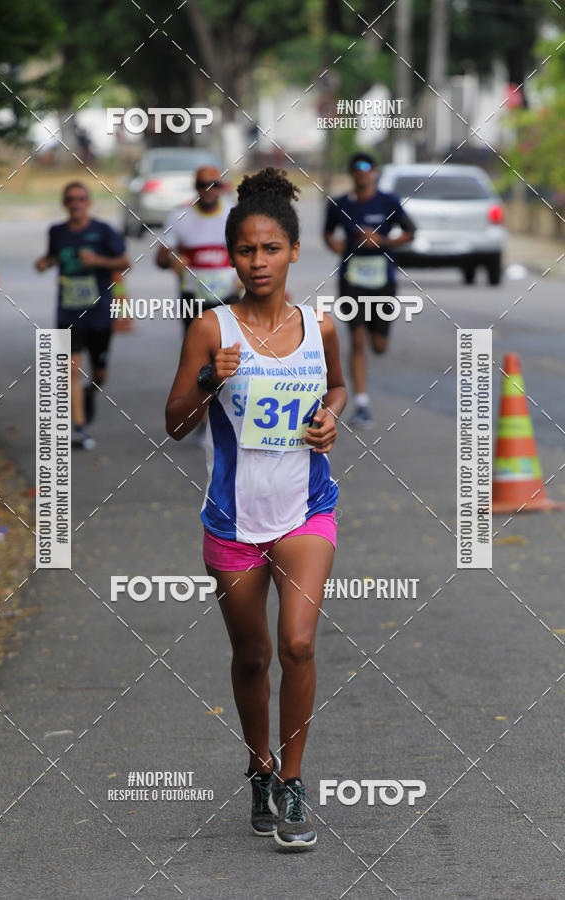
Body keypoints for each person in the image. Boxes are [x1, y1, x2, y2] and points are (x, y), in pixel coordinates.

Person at [166, 168, 347, 850]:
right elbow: (175, 422)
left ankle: (292, 781)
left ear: (294, 251)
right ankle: (259, 763)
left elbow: (336, 387)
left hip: (307, 510)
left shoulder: (317, 324)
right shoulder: (211, 329)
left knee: (298, 644)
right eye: (246, 250)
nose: (258, 261)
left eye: (271, 249)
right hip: (234, 523)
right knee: (253, 655)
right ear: (230, 256)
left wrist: (330, 419)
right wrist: (214, 378)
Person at [35, 181, 130, 449]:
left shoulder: (103, 231)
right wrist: (45, 263)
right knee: (70, 369)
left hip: (99, 314)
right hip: (67, 313)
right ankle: (78, 427)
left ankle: (90, 392)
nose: (76, 203)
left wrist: (98, 261)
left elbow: (125, 262)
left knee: (100, 373)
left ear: (88, 202)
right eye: (70, 199)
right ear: (64, 204)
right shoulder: (56, 232)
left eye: (81, 198)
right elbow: (53, 256)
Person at [324, 152, 416, 426]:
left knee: (379, 345)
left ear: (374, 171)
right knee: (358, 341)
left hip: (382, 282)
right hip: (351, 281)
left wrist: (383, 240)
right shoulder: (339, 204)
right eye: (355, 168)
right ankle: (362, 402)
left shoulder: (388, 202)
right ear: (351, 174)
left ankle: (378, 343)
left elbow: (410, 231)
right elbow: (328, 233)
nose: (361, 172)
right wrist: (336, 246)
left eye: (366, 167)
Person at [157, 165, 242, 445]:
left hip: (228, 295)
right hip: (193, 297)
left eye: (214, 184)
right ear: (195, 187)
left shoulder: (233, 214)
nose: (208, 190)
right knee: (198, 355)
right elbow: (160, 258)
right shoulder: (179, 215)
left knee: (227, 351)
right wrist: (172, 260)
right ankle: (204, 418)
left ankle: (229, 413)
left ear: (222, 186)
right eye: (202, 184)